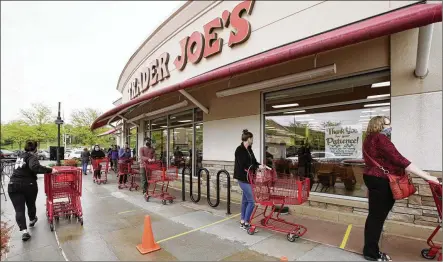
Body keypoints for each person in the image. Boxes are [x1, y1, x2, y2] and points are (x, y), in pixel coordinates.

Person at [362, 116, 439, 261]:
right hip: (383, 180)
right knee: (377, 218)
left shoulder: (368, 139)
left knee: (374, 216)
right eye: (387, 123)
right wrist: (426, 176)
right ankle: (371, 253)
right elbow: (400, 160)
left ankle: (369, 249)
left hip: (372, 178)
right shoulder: (381, 138)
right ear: (379, 125)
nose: (390, 126)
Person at [8, 140, 52, 241]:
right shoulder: (32, 156)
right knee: (30, 204)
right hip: (28, 184)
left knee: (19, 209)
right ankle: (32, 220)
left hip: (13, 184)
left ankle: (24, 232)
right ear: (36, 148)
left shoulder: (20, 155)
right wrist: (50, 170)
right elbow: (34, 167)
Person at [234, 129, 266, 231]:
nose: (253, 140)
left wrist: (259, 165)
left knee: (245, 201)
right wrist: (256, 167)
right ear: (248, 139)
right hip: (242, 178)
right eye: (252, 138)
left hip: (249, 178)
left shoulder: (249, 149)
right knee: (251, 201)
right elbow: (244, 164)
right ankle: (247, 223)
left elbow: (254, 162)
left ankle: (242, 221)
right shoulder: (239, 150)